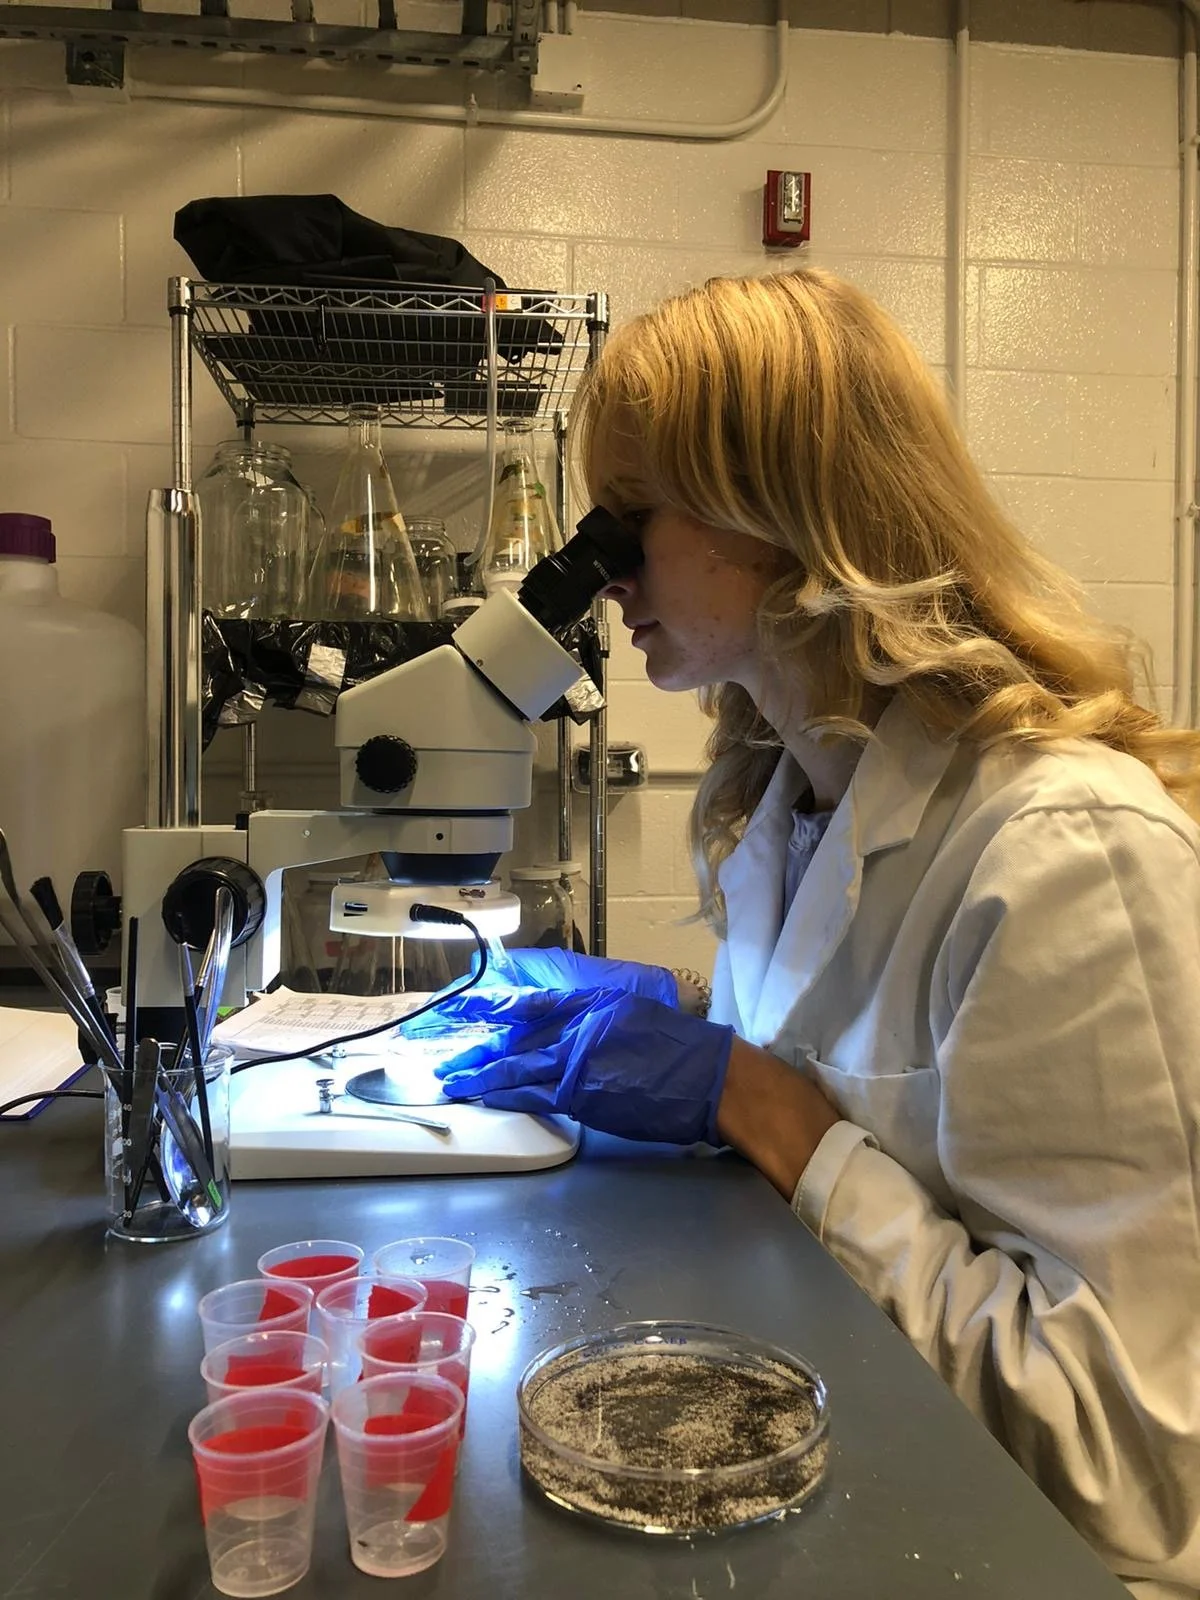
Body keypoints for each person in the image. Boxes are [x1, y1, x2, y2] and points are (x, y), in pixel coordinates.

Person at [415, 269, 1200, 1597]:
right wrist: (668, 1005)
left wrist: (757, 1105)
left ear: (772, 516)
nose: (601, 577)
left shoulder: (1068, 852)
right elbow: (853, 1049)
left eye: (628, 522)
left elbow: (1130, 1461)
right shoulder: (789, 798)